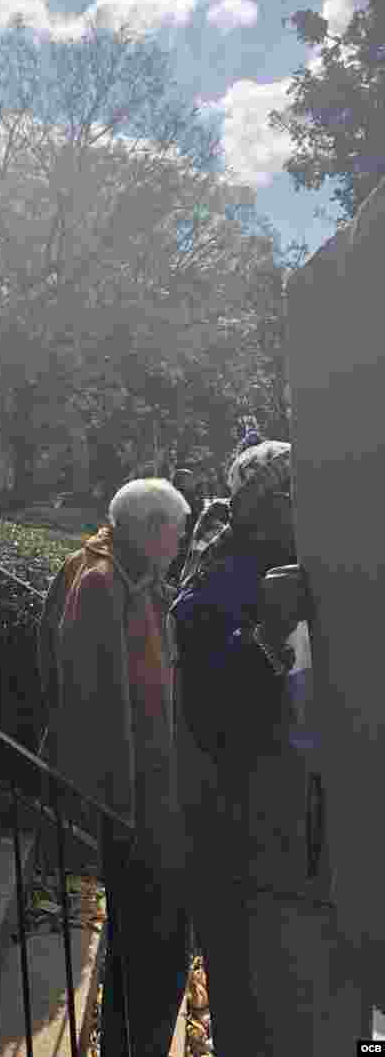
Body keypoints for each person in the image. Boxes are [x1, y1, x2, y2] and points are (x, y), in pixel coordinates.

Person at [171, 437, 348, 1055]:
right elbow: (209, 713)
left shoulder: (322, 562)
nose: (302, 508)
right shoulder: (216, 580)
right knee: (258, 1010)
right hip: (246, 842)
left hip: (317, 836)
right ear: (258, 505)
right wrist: (269, 630)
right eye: (288, 495)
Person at [46, 477, 191, 1057]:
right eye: (176, 532)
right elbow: (97, 702)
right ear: (149, 531)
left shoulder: (135, 579)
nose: (181, 543)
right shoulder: (101, 584)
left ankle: (131, 1044)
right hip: (132, 802)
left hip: (155, 795)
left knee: (151, 940)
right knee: (153, 938)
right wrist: (122, 807)